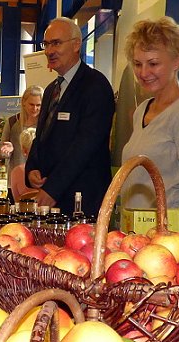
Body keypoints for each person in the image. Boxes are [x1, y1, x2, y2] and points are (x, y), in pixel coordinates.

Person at [25, 17, 115, 216]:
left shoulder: (96, 86)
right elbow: (41, 138)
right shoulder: (50, 90)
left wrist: (52, 189)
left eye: (56, 43)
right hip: (53, 201)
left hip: (83, 202)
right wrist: (32, 169)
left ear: (76, 45)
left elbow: (85, 146)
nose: (49, 51)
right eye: (46, 44)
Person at [120, 16, 179, 211]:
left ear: (177, 60)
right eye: (137, 64)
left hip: (165, 226)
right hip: (134, 224)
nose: (143, 73)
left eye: (153, 64)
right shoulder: (142, 110)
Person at [0, 86, 43, 198]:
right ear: (23, 103)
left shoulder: (45, 123)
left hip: (38, 180)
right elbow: (1, 150)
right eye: (31, 104)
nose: (35, 108)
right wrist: (7, 150)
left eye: (38, 105)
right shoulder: (13, 122)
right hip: (16, 180)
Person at [9, 127, 37, 202]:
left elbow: (17, 202)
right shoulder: (53, 171)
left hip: (25, 208)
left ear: (24, 150)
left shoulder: (17, 172)